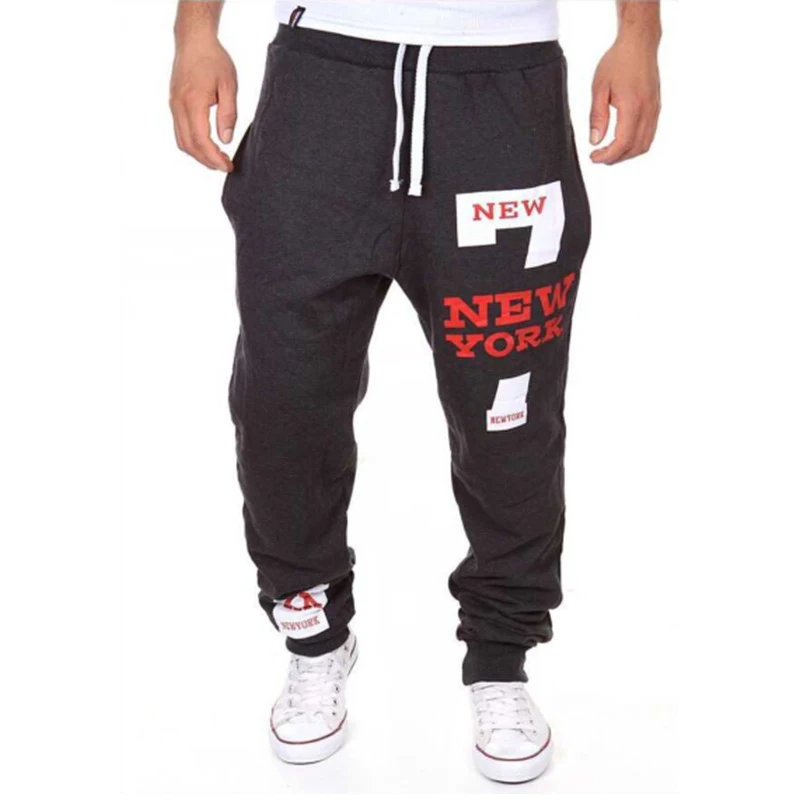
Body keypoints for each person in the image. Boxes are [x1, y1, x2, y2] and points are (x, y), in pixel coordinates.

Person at [169, 0, 661, 783]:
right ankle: (312, 631)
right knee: (284, 401)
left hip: (502, 88)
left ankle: (500, 657)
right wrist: (195, 33)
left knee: (509, 411)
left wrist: (639, 36)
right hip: (323, 81)